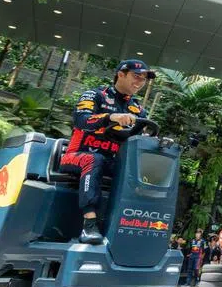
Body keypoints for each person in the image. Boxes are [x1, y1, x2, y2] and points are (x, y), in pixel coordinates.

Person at [59, 58, 153, 244]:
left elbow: (137, 138)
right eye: (136, 76)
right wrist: (110, 117)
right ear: (120, 74)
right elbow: (81, 120)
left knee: (139, 172)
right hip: (77, 155)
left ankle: (132, 227)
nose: (139, 82)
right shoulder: (95, 95)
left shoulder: (137, 109)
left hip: (113, 161)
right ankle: (89, 224)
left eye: (143, 79)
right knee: (95, 160)